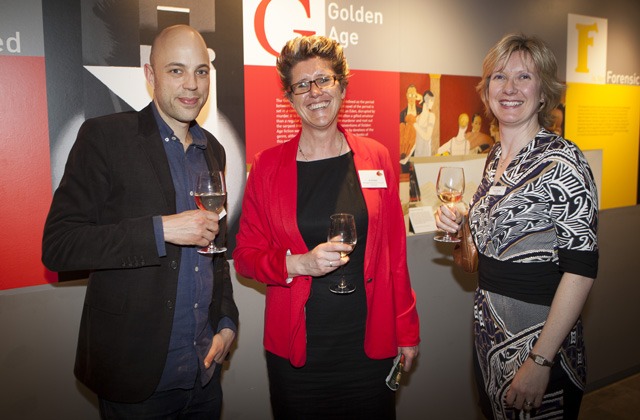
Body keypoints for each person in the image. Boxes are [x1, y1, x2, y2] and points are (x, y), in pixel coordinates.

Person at [42, 25, 239, 419]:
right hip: (136, 381)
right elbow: (59, 246)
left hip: (203, 376)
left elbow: (214, 254)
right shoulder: (105, 138)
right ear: (150, 76)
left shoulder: (212, 150)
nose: (192, 85)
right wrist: (161, 230)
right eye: (176, 70)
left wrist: (227, 321)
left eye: (201, 71)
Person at [233, 35, 420, 420]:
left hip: (369, 343)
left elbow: (394, 257)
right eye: (302, 85)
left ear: (343, 85)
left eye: (324, 80)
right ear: (289, 97)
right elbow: (245, 258)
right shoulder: (266, 167)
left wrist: (407, 331)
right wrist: (297, 264)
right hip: (299, 353)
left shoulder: (376, 158)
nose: (315, 92)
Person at [436, 33, 598, 419]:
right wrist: (460, 225)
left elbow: (581, 271)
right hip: (490, 334)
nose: (509, 88)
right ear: (486, 89)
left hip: (540, 344)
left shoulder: (563, 162)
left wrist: (540, 361)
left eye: (524, 77)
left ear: (544, 92)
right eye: (498, 77)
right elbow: (497, 242)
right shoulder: (495, 157)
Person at [414, 90, 436, 157]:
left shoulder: (431, 116)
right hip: (417, 154)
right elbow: (416, 140)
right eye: (431, 100)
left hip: (426, 155)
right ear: (426, 100)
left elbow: (427, 136)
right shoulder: (417, 118)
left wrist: (415, 125)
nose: (432, 103)